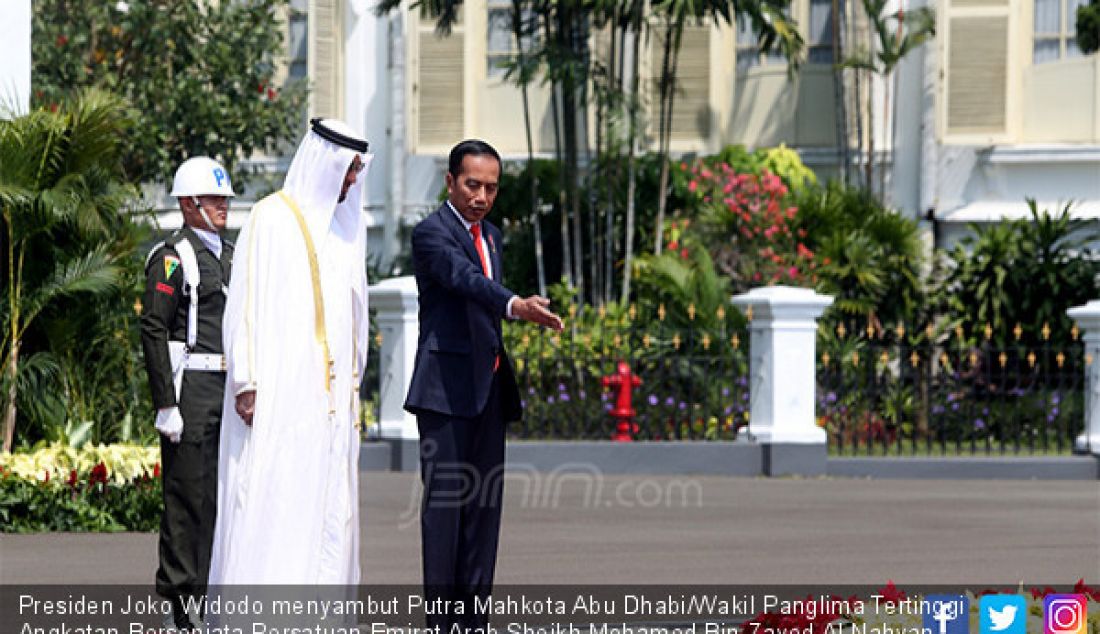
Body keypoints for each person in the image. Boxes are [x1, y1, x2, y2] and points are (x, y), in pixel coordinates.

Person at [404, 139, 564, 632]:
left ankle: (473, 621)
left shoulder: (492, 235)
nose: (481, 196)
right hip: (444, 393)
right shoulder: (431, 234)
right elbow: (464, 279)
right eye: (472, 184)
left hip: (488, 391)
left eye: (491, 187)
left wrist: (511, 305)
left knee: (483, 510)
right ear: (450, 182)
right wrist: (515, 304)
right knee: (445, 511)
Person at [207, 119, 372, 585]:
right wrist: (246, 380)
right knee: (273, 497)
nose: (353, 180)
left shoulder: (345, 231)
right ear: (326, 164)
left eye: (358, 170)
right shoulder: (270, 217)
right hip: (278, 393)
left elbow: (354, 317)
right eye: (348, 169)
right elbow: (245, 304)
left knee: (327, 504)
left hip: (332, 403)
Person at [140, 156, 235, 630]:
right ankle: (183, 598)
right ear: (189, 203)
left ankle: (212, 587)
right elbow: (154, 328)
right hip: (193, 386)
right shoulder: (172, 256)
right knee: (187, 495)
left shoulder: (233, 255)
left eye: (224, 198)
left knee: (221, 495)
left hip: (229, 388)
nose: (223, 206)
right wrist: (165, 404)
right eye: (214, 199)